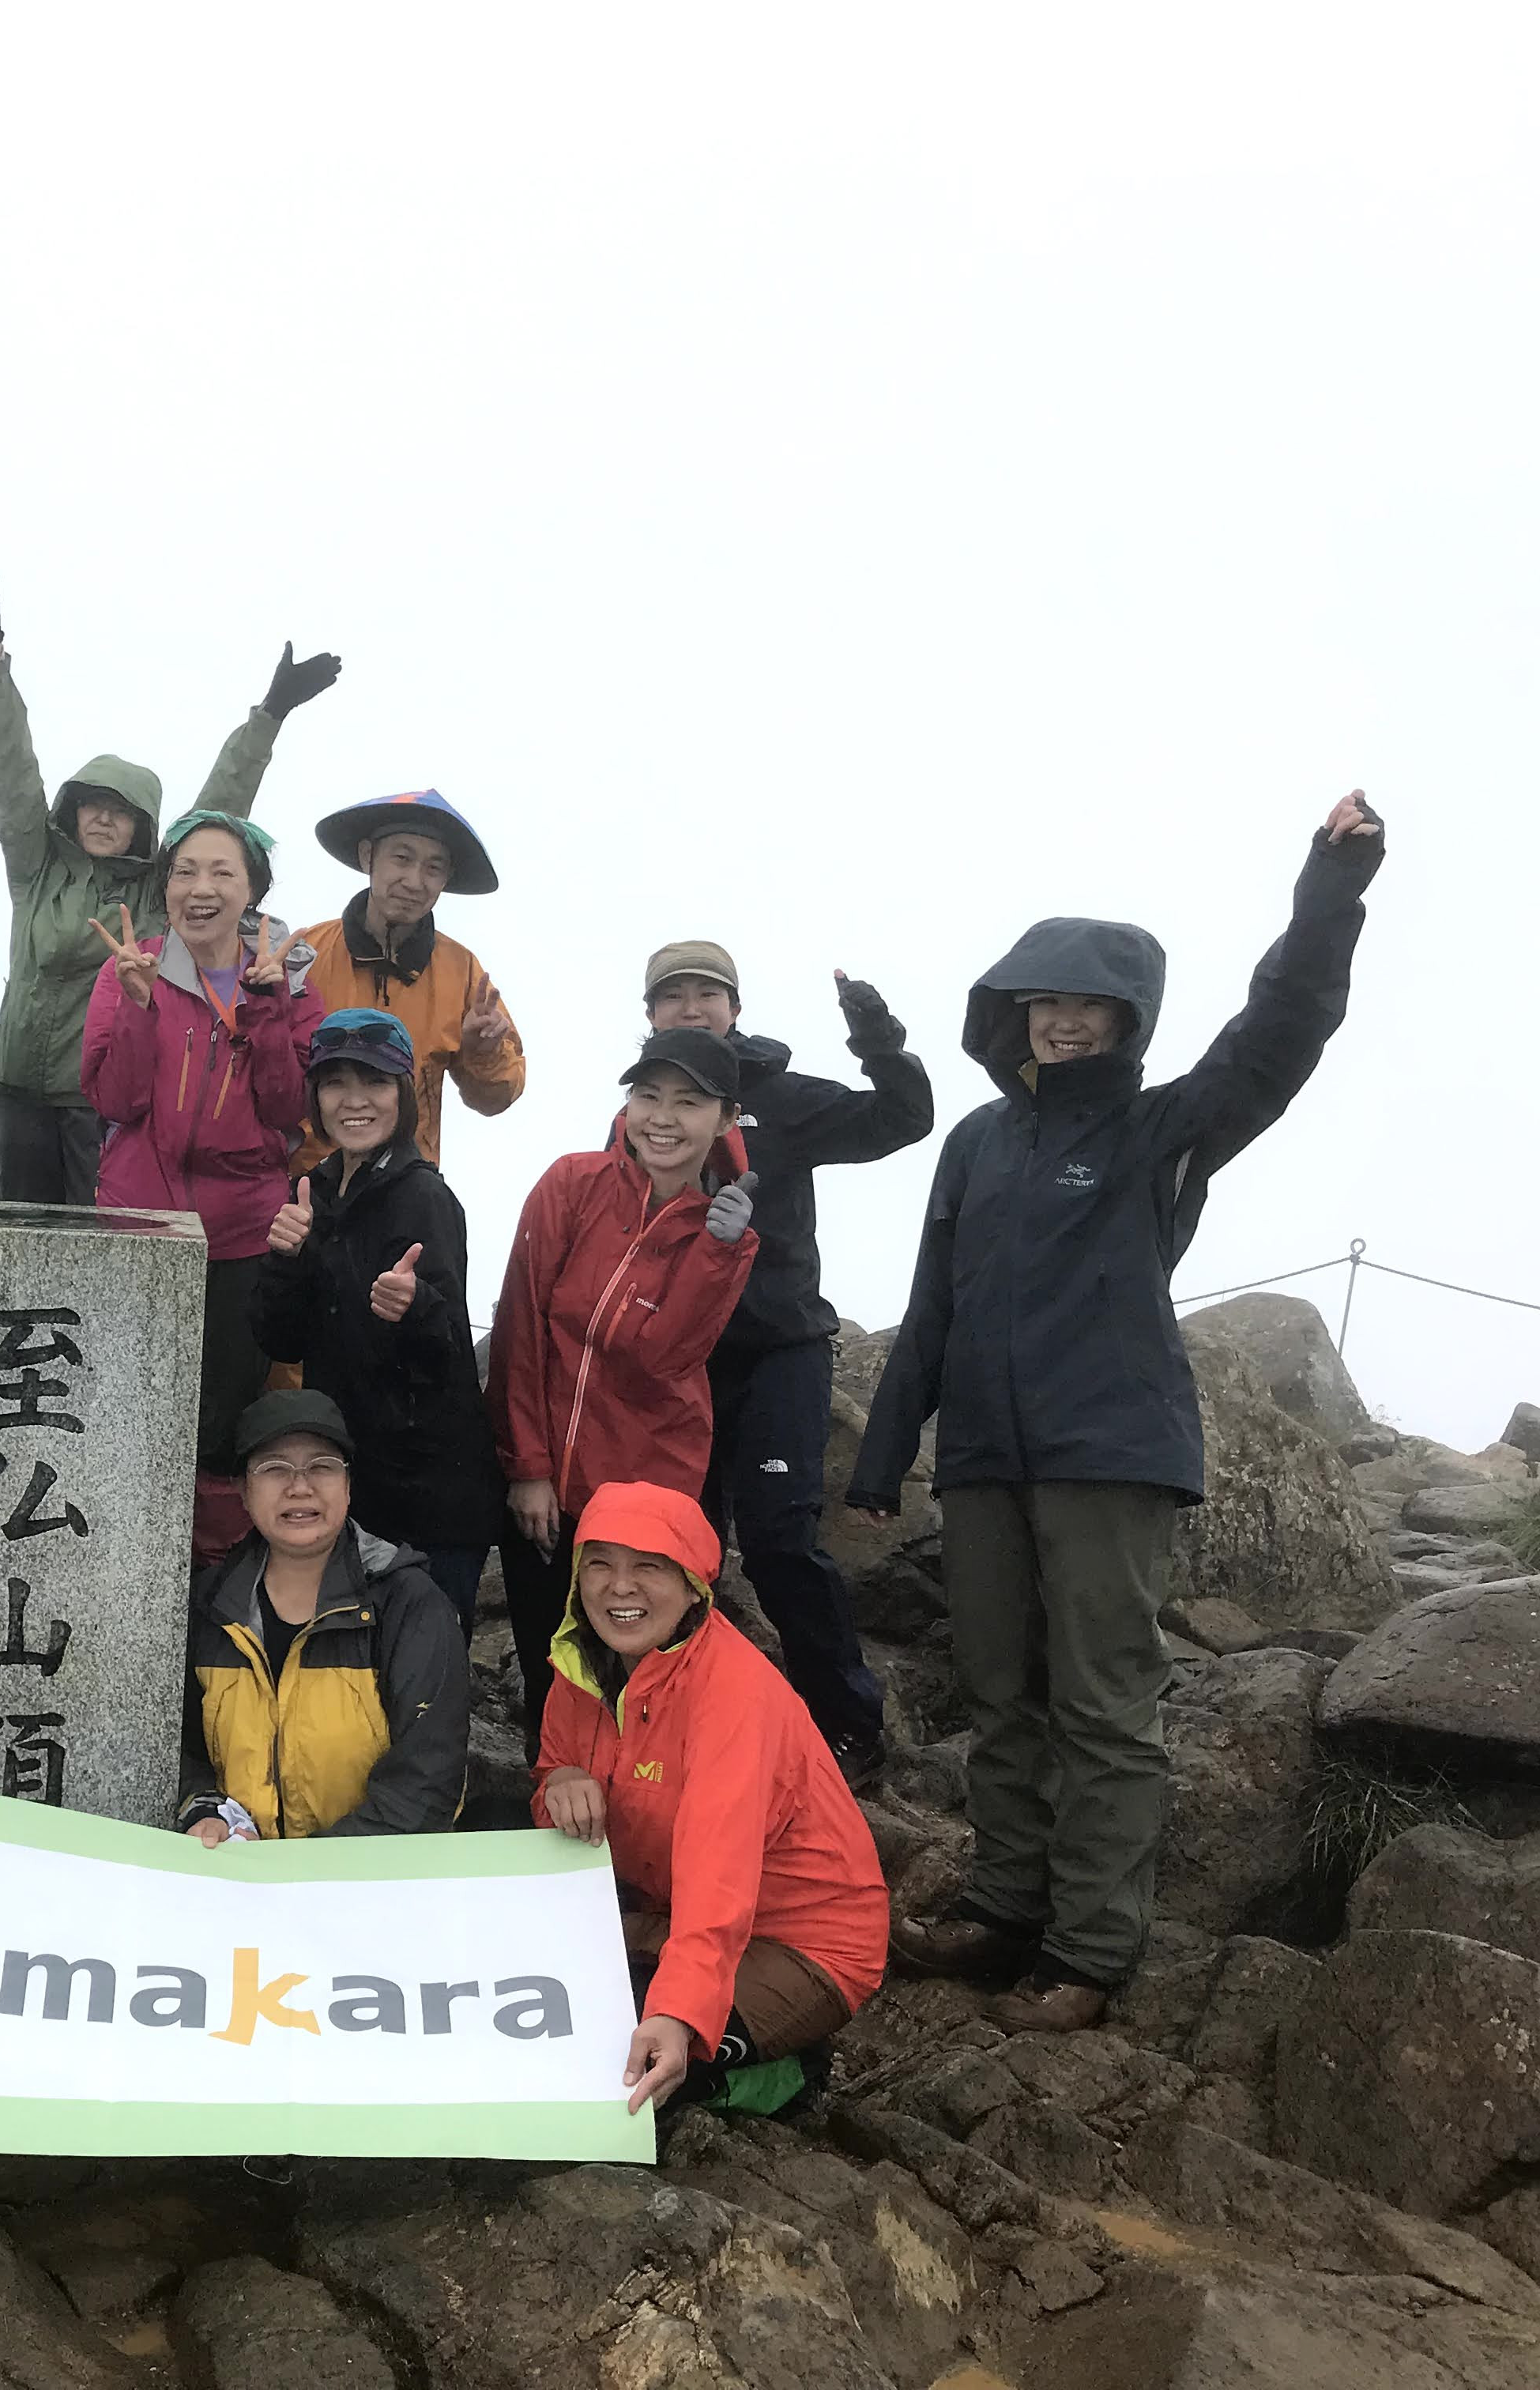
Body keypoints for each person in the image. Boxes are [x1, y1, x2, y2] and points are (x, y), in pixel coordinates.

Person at [846, 794, 1388, 2036]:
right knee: (1000, 1692)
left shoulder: (1164, 1130)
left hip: (1111, 1452)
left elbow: (1282, 1034)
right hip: (984, 1457)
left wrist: (1330, 885)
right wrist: (886, 1456)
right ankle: (1002, 1907)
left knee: (1101, 1702)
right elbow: (931, 1301)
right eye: (1042, 1001)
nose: (1062, 1017)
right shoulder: (977, 1142)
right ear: (1013, 1015)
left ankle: (1089, 1951)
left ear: (1127, 1022)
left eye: (1088, 1004)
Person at [0, 573, 337, 1204]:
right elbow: (12, 770)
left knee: (92, 1258)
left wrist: (270, 715)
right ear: (69, 812)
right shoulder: (36, 868)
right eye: (90, 805)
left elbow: (218, 814)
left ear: (144, 827)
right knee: (21, 1250)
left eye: (119, 811)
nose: (101, 818)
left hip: (97, 1101)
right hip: (15, 1091)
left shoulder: (157, 892)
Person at [642, 944, 936, 1788]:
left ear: (735, 1008)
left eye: (708, 994)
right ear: (651, 1014)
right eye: (673, 997)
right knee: (672, 1547)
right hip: (676, 1363)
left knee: (777, 1542)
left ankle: (848, 1726)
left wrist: (878, 1038)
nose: (691, 1008)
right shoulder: (645, 1110)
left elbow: (902, 1119)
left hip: (779, 1352)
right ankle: (675, 1721)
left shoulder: (782, 1099)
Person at [533, 1483, 888, 2118]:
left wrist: (677, 2014)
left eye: (648, 1566)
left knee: (624, 2053)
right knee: (544, 2005)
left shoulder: (731, 1694)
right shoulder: (579, 1666)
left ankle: (784, 2076)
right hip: (671, 1910)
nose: (619, 1587)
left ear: (696, 1584)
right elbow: (553, 1783)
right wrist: (558, 1781)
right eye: (600, 1563)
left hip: (802, 1942)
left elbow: (717, 1873)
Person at [489, 1028, 759, 1744]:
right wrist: (528, 1469)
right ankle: (556, 1828)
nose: (662, 1118)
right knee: (553, 1675)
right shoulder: (571, 1185)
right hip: (548, 1494)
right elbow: (520, 1326)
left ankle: (642, 1840)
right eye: (648, 1095)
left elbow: (665, 1357)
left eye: (689, 1102)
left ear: (727, 1119)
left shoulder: (719, 1232)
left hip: (650, 1494)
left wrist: (719, 1254)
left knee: (644, 1687)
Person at [79, 814, 327, 1506]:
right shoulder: (132, 964)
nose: (200, 887)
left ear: (254, 891)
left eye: (222, 872)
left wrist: (269, 1007)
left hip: (241, 1237)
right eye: (185, 871)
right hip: (139, 1231)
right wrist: (135, 1005)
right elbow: (115, 1100)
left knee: (221, 1424)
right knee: (122, 1408)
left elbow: (288, 1109)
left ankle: (202, 1588)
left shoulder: (292, 981)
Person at [249, 1012, 506, 1628]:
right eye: (335, 1083)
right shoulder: (315, 1191)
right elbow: (279, 1338)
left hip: (432, 1504)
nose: (354, 1101)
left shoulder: (424, 1196)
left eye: (375, 1082)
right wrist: (285, 1260)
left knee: (426, 1686)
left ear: (405, 1095)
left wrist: (414, 1309)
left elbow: (444, 1359)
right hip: (353, 1491)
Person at [177, 1393, 469, 1842]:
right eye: (274, 1468)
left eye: (322, 1466)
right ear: (242, 1489)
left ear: (349, 1486)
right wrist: (205, 1809)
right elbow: (178, 1746)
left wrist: (303, 1874)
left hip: (370, 1884)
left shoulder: (409, 1604)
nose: (300, 1487)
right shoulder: (209, 1605)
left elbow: (428, 1784)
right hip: (238, 1881)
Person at [291, 791, 524, 1171]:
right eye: (401, 858)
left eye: (434, 868)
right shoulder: (304, 956)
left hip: (408, 1190)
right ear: (368, 856)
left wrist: (481, 1052)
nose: (415, 881)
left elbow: (496, 1099)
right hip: (303, 1186)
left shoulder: (463, 971)